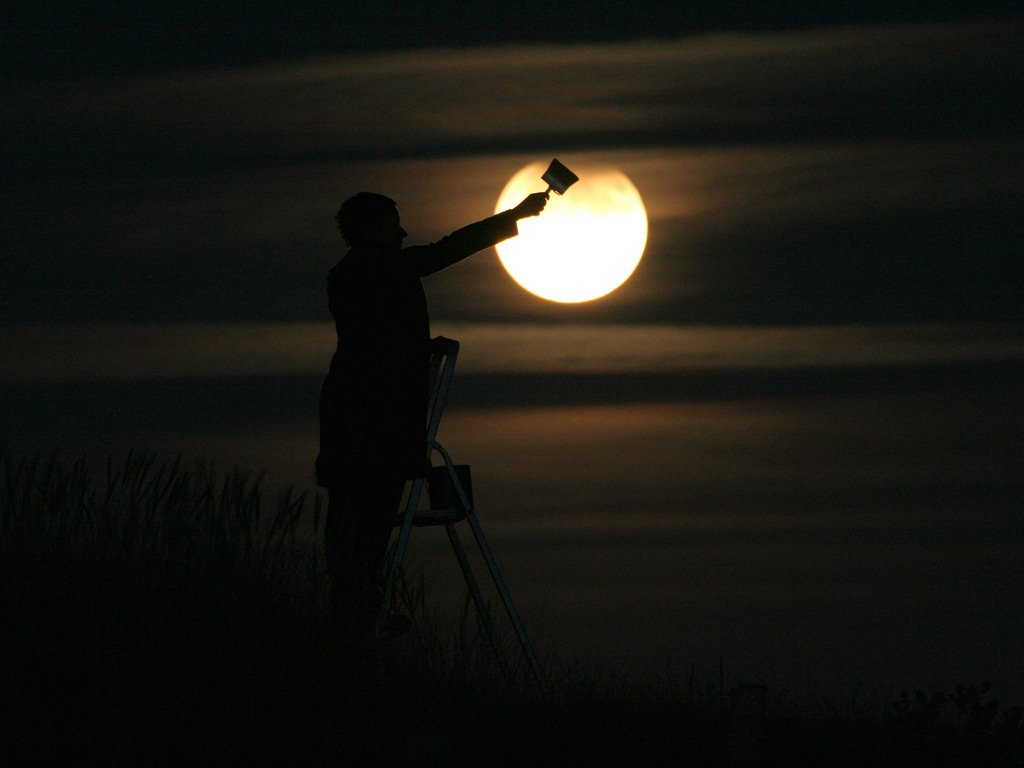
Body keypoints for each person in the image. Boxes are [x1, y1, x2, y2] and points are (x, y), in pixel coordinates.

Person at [316, 189, 548, 633]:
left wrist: (420, 348)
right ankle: (358, 622)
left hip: (350, 418)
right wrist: (513, 217)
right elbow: (447, 250)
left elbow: (373, 337)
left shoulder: (348, 274)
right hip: (372, 425)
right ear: (370, 230)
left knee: (351, 526)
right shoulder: (381, 268)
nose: (402, 232)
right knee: (366, 524)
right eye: (392, 223)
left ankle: (356, 617)